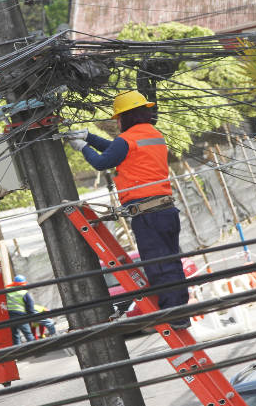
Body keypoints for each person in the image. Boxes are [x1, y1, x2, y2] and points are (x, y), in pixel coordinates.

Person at [61, 90, 190, 329]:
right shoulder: (153, 134)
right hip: (166, 210)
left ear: (126, 117)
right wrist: (89, 137)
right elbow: (117, 149)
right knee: (171, 262)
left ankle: (174, 314)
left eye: (118, 117)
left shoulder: (127, 139)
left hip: (148, 213)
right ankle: (180, 310)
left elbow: (103, 161)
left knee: (159, 265)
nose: (116, 121)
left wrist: (83, 147)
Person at [5, 274, 56, 344]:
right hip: (21, 315)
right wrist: (31, 315)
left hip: (10, 316)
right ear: (23, 284)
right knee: (28, 333)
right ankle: (34, 346)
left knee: (15, 334)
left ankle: (17, 349)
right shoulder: (24, 293)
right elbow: (30, 306)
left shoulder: (9, 292)